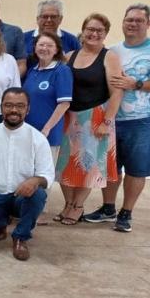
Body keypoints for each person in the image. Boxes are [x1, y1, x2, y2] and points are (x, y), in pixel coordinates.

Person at [0, 88, 54, 261]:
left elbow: (47, 174)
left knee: (38, 194)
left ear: (27, 109)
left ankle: (21, 237)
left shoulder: (38, 139)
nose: (14, 110)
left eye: (20, 106)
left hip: (22, 196)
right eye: (9, 105)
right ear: (1, 108)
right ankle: (0, 223)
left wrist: (36, 180)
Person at [56, 13, 122, 226]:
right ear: (83, 31)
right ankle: (68, 203)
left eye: (99, 31)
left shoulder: (109, 56)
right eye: (90, 29)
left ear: (105, 34)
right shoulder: (69, 55)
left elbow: (117, 92)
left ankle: (78, 206)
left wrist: (107, 121)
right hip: (69, 117)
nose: (94, 34)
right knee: (65, 164)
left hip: (95, 118)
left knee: (88, 165)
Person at [97, 3, 150, 232]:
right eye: (129, 20)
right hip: (111, 119)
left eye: (139, 20)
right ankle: (108, 208)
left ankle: (126, 212)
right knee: (110, 168)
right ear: (123, 22)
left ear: (148, 24)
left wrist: (136, 84)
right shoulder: (113, 51)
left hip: (141, 121)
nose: (133, 24)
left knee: (136, 169)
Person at [23, 32, 72, 161]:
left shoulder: (61, 71)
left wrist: (46, 128)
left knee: (42, 177)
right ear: (35, 47)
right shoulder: (32, 70)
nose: (44, 48)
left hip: (47, 134)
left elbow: (64, 104)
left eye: (50, 45)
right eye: (41, 44)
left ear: (56, 49)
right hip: (27, 133)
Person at [23, 0, 81, 69]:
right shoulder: (23, 39)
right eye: (45, 16)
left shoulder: (72, 40)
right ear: (37, 19)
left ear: (60, 19)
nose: (49, 20)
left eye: (53, 17)